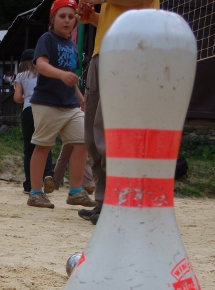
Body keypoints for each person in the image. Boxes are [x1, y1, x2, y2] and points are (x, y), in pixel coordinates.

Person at [77, 0, 159, 224]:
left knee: (110, 135)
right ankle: (104, 201)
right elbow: (117, 18)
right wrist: (93, 18)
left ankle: (118, 203)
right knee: (93, 138)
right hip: (102, 54)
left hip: (128, 54)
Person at [26, 0, 95, 209]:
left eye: (71, 17)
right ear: (52, 19)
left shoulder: (73, 46)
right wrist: (62, 74)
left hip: (70, 105)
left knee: (83, 141)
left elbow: (70, 77)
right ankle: (35, 193)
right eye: (62, 16)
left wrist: (81, 98)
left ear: (76, 22)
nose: (66, 20)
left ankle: (75, 191)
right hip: (47, 103)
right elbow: (41, 65)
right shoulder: (47, 39)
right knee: (43, 146)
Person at [14, 49, 54, 195]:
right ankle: (48, 174)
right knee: (45, 145)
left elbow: (17, 98)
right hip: (44, 109)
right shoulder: (44, 74)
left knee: (29, 149)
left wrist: (26, 96)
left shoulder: (21, 76)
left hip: (29, 110)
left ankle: (29, 184)